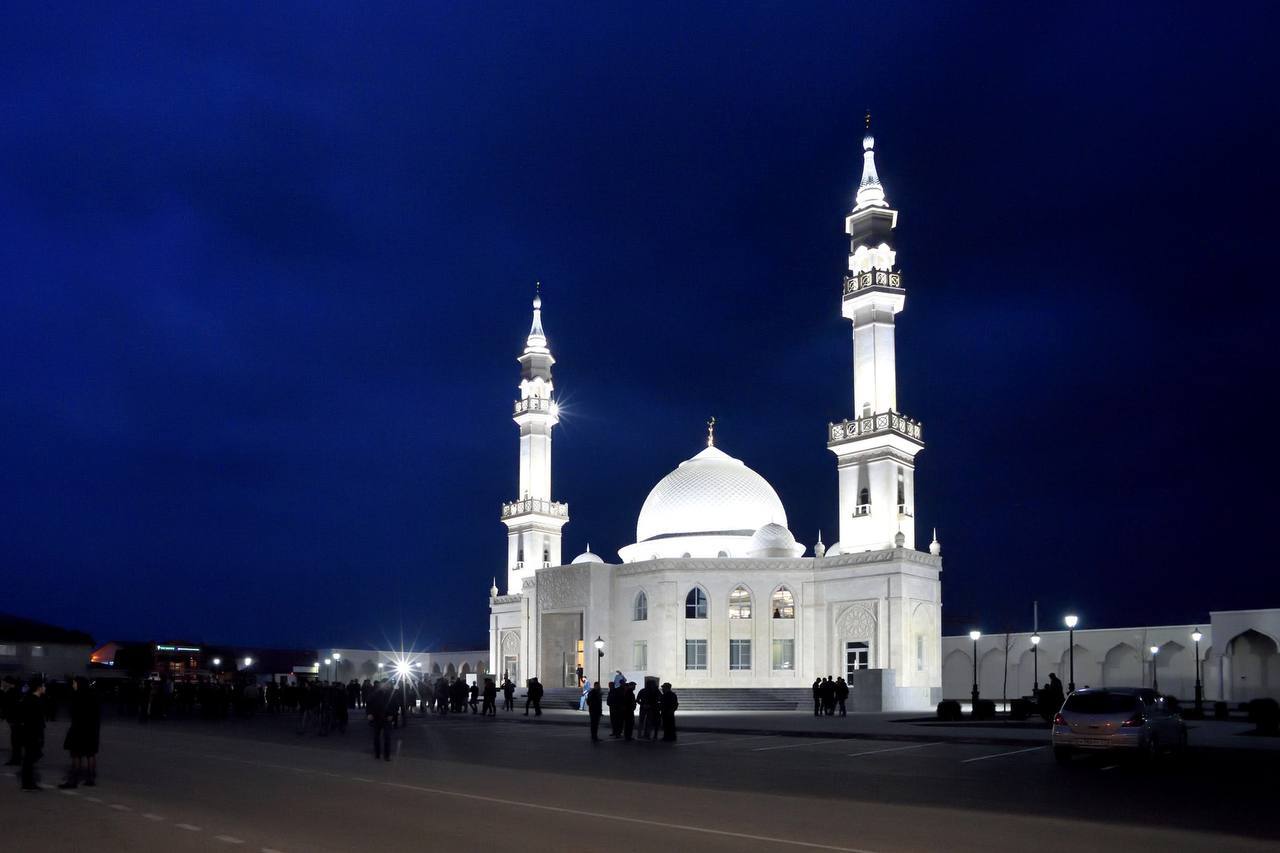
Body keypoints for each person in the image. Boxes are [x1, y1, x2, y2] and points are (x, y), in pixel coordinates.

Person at [59, 677, 100, 789]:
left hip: (79, 729)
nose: (73, 685)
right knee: (90, 754)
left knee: (76, 754)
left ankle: (73, 780)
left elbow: (73, 713)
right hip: (91, 730)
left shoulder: (77, 696)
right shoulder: (93, 695)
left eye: (74, 683)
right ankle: (90, 778)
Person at [19, 677, 47, 791]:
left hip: (31, 733)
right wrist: (38, 735)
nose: (45, 688)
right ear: (38, 688)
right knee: (30, 758)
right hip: (32, 733)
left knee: (30, 758)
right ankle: (27, 783)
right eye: (43, 686)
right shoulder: (33, 700)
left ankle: (29, 782)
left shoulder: (32, 699)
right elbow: (34, 720)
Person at [366, 681, 398, 761]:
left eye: (387, 685)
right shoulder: (375, 694)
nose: (385, 686)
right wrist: (369, 714)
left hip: (387, 718)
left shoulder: (391, 694)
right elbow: (368, 704)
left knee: (387, 737)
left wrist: (392, 715)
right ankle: (377, 754)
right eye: (383, 684)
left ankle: (386, 755)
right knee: (376, 737)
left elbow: (395, 706)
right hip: (376, 717)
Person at [2, 676, 22, 767]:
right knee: (16, 740)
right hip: (15, 719)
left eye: (4, 682)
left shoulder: (12, 692)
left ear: (9, 683)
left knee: (15, 740)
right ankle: (17, 758)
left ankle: (16, 759)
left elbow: (6, 705)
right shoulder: (16, 691)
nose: (3, 684)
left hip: (14, 719)